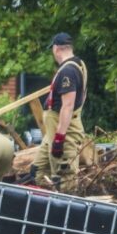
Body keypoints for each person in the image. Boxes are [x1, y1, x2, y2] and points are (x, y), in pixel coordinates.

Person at [33, 32, 88, 192]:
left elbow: (68, 106)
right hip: (55, 129)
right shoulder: (79, 65)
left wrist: (59, 138)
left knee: (65, 177)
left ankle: (65, 212)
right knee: (38, 170)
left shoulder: (68, 71)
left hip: (63, 130)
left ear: (56, 49)